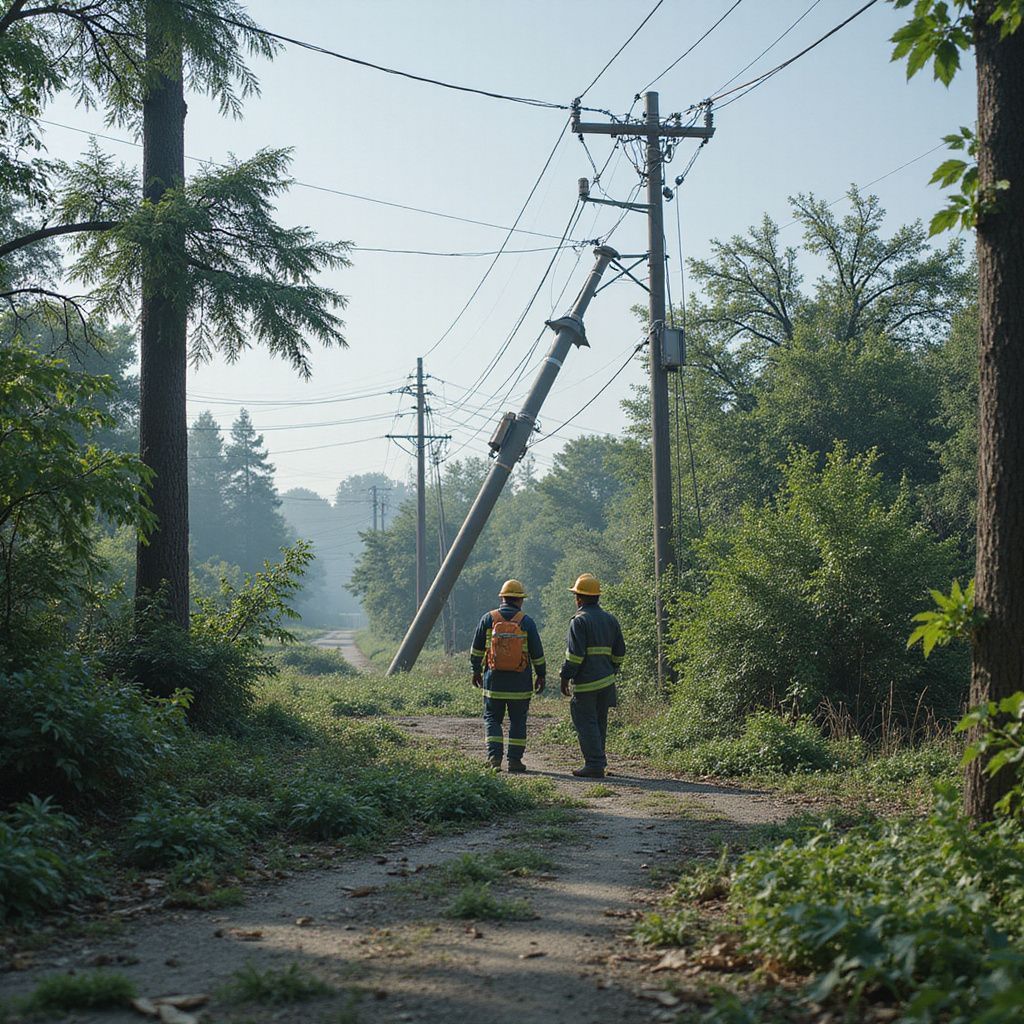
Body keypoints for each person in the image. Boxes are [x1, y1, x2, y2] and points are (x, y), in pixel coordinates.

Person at [469, 579, 546, 772]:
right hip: (520, 683)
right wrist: (541, 675)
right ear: (520, 601)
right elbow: (537, 653)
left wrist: (476, 670)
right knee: (518, 720)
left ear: (502, 598)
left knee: (492, 718)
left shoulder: (488, 619)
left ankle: (494, 757)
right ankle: (514, 761)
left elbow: (476, 650)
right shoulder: (526, 622)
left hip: (493, 681)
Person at [559, 573, 626, 778]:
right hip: (606, 682)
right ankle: (599, 761)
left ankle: (595, 764)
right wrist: (611, 669)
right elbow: (620, 651)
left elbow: (575, 656)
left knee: (586, 722)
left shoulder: (579, 621)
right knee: (599, 721)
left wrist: (564, 676)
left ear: (579, 598)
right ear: (597, 597)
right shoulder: (610, 619)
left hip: (586, 684)